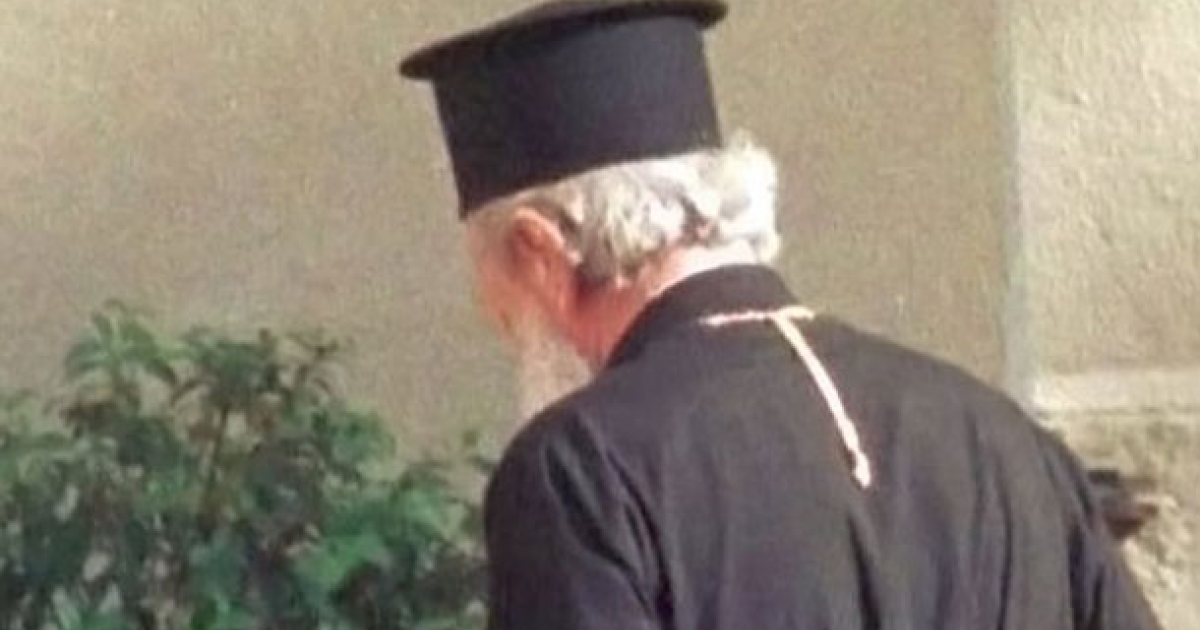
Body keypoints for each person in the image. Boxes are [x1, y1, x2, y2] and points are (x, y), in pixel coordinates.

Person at [400, 1, 1161, 629]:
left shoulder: (584, 470)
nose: (502, 327)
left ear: (539, 251)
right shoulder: (1005, 441)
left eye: (498, 302)